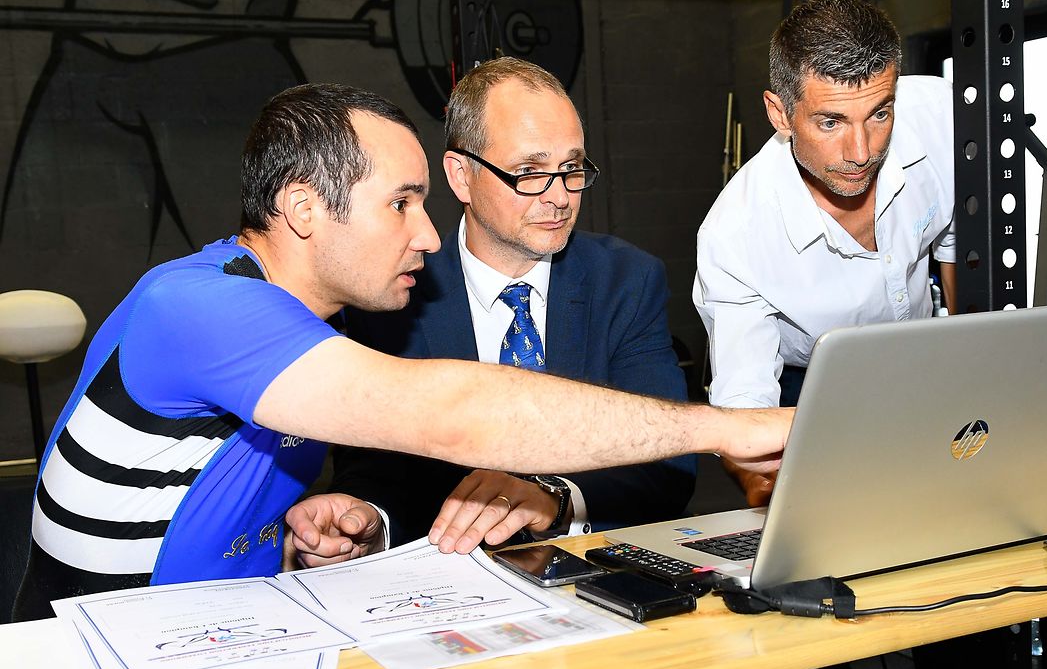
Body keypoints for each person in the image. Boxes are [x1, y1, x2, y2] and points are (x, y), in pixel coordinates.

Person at [11, 82, 791, 622]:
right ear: (304, 208)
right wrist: (725, 427)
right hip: (100, 661)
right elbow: (458, 414)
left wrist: (334, 528)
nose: (426, 234)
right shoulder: (200, 306)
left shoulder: (306, 328)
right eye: (400, 204)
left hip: (217, 632)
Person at [287, 57, 695, 564]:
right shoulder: (390, 296)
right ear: (461, 176)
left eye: (571, 169)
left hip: (590, 570)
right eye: (529, 172)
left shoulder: (626, 281)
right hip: (446, 577)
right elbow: (376, 466)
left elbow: (667, 464)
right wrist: (365, 519)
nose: (560, 197)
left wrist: (555, 499)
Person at [693, 0, 956, 504]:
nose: (862, 152)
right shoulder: (735, 235)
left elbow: (958, 239)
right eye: (831, 122)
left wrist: (978, 369)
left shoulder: (940, 116)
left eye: (879, 114)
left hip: (932, 359)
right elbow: (744, 414)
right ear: (780, 113)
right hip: (813, 390)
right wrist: (773, 494)